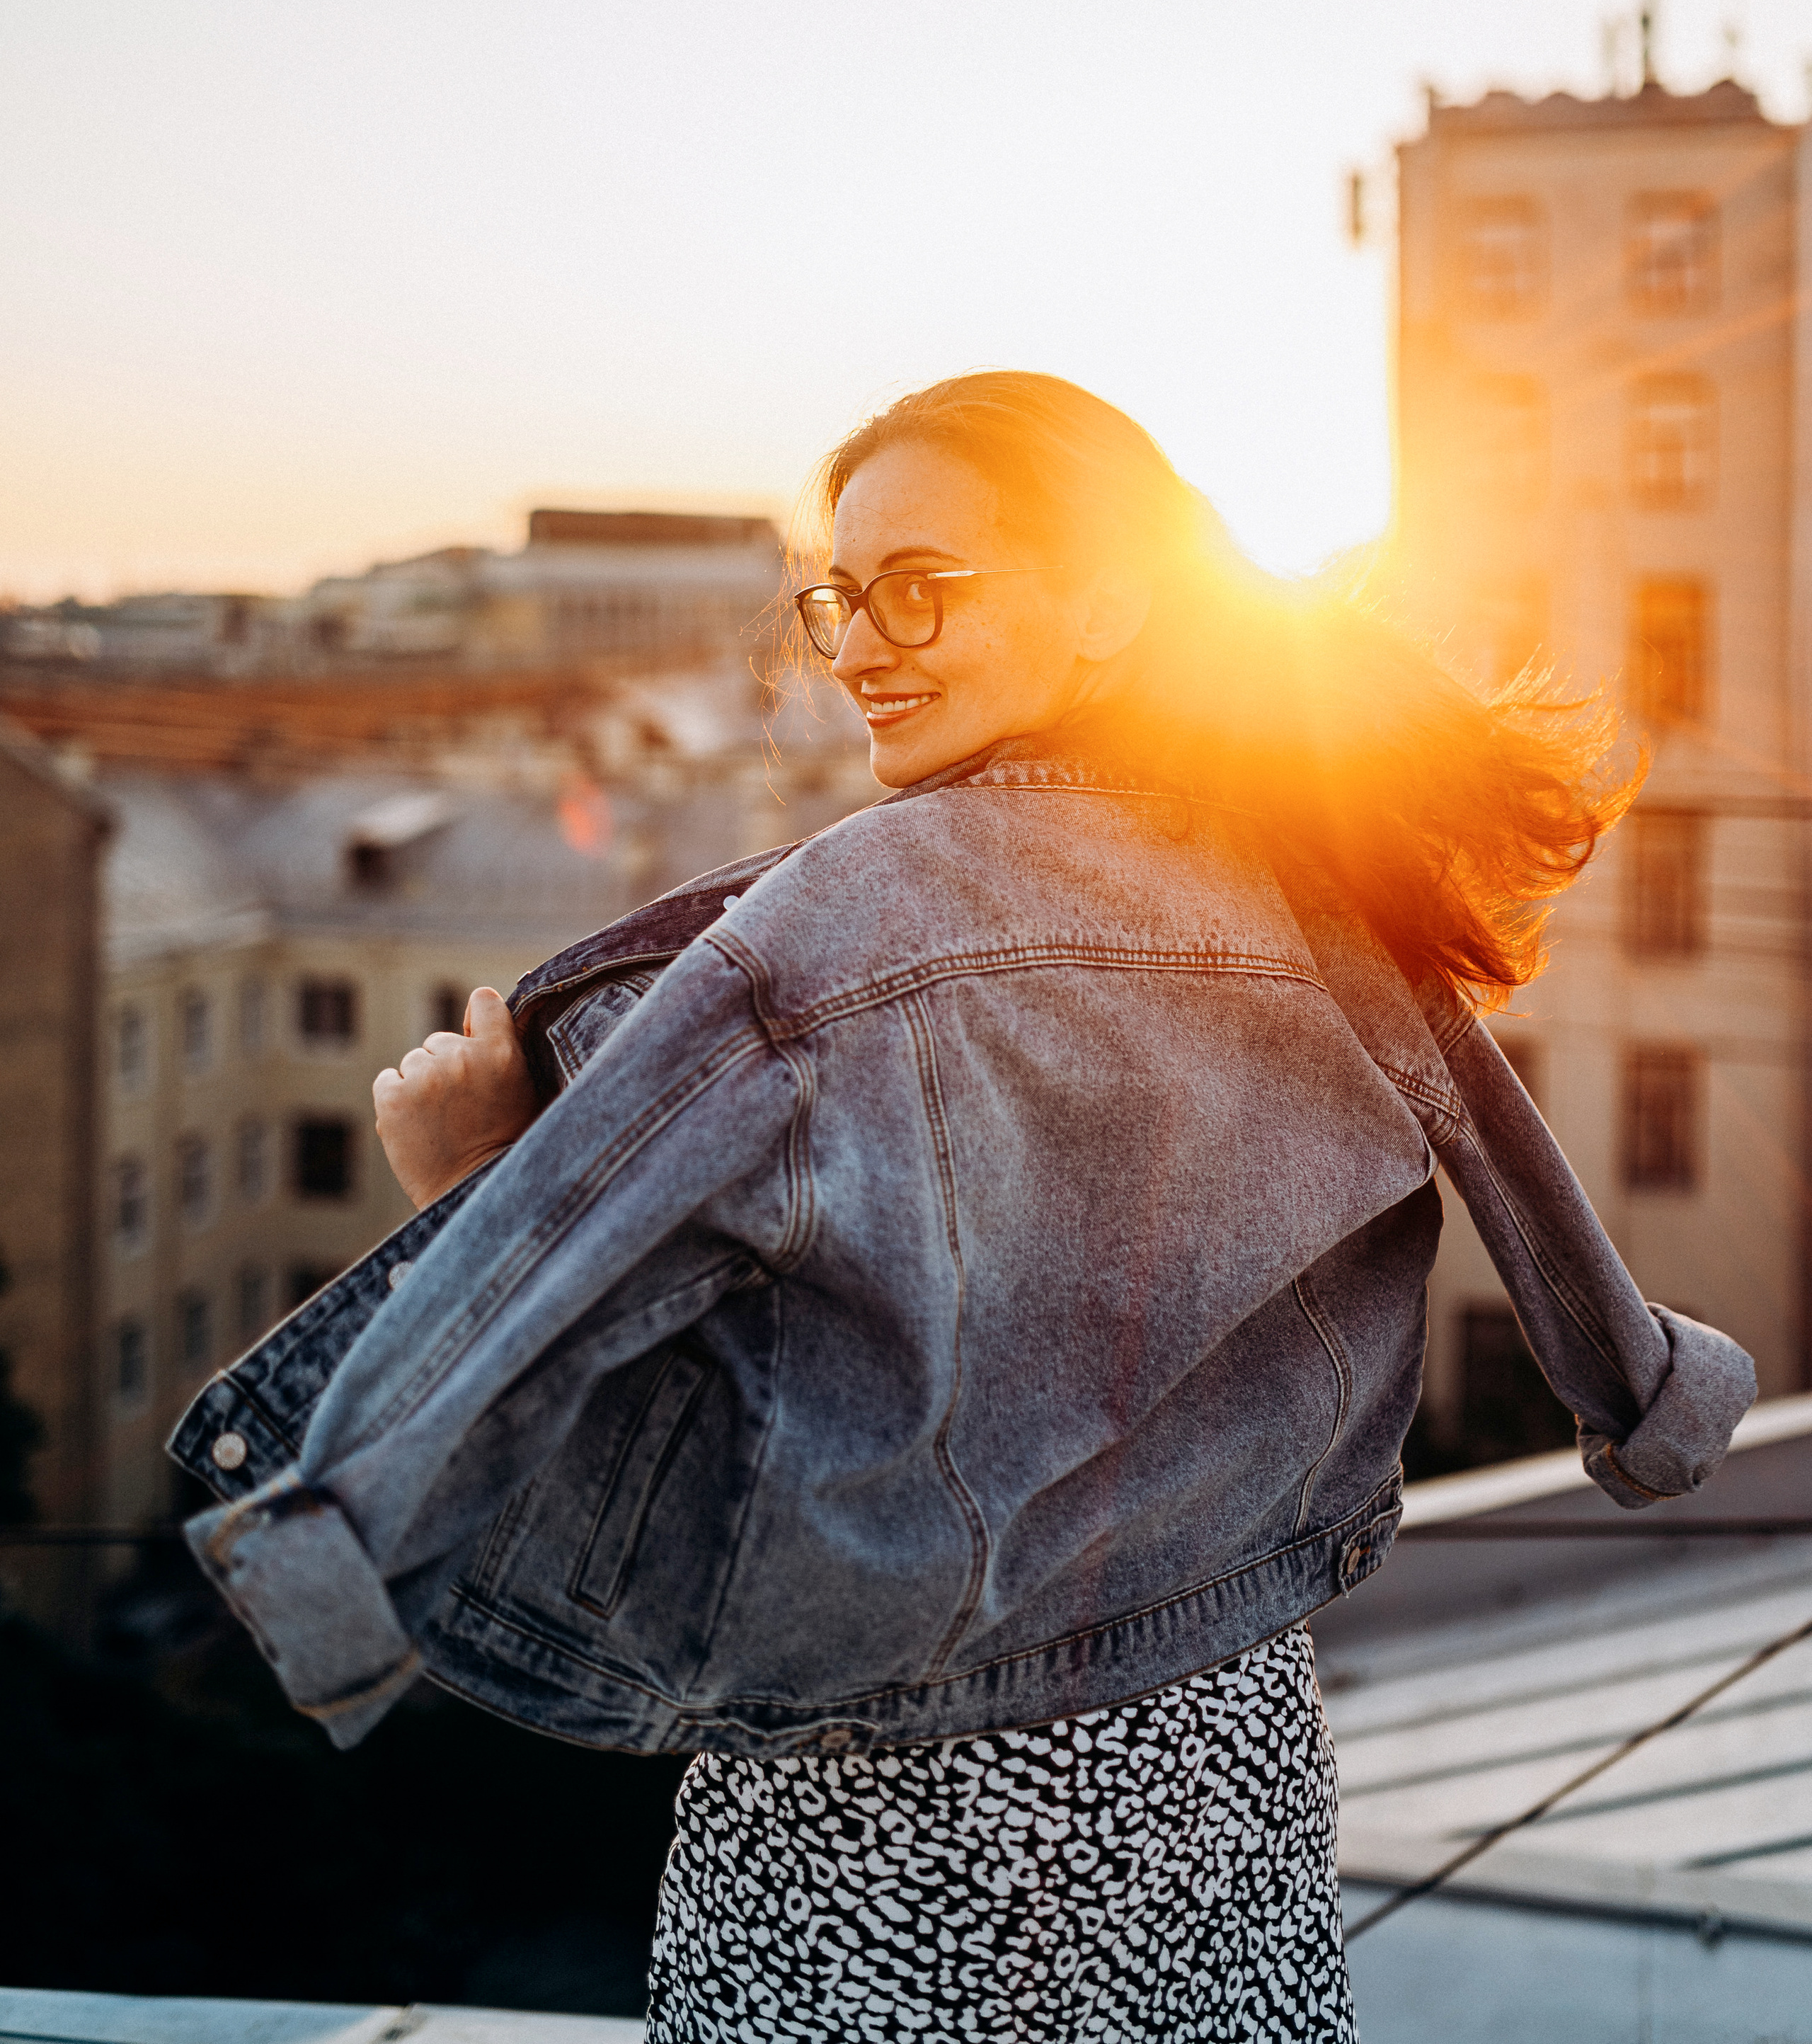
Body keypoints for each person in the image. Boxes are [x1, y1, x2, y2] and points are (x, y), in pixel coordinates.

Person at [175, 372, 1755, 2044]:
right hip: (1220, 1781)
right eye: (837, 594)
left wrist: (447, 1240)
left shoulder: (833, 913)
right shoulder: (1307, 884)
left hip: (874, 1812)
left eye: (919, 586)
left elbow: (575, 1288)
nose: (855, 644)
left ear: (1107, 606)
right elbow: (1514, 1165)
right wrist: (1644, 1398)